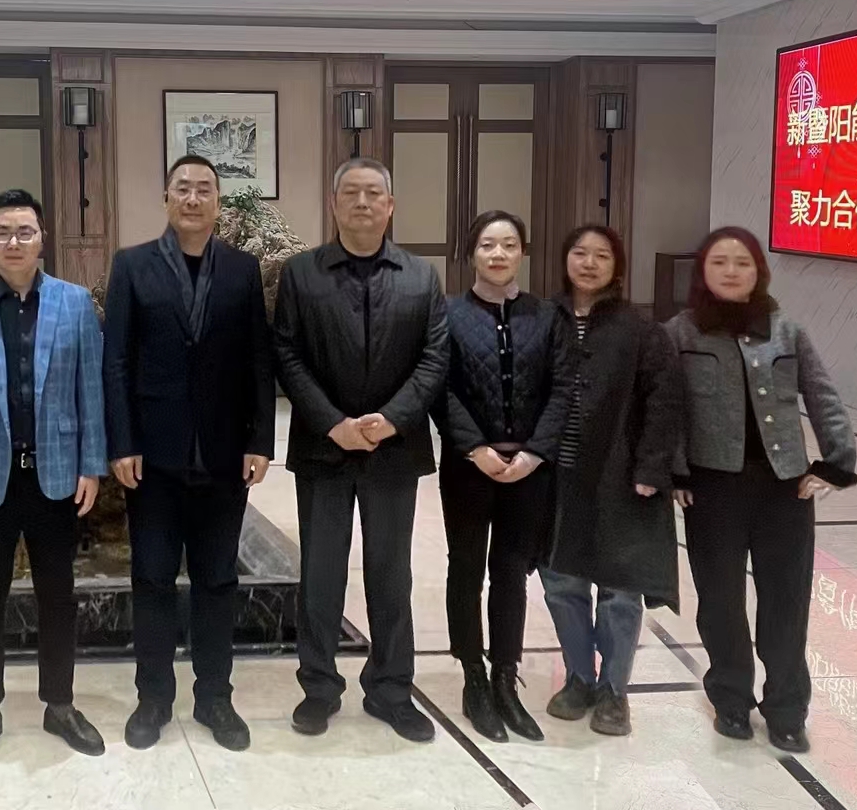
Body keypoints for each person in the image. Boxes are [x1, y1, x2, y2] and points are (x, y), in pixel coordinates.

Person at [273, 157, 449, 744]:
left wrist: (391, 419)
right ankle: (319, 688)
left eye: (374, 193)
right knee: (320, 575)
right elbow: (286, 354)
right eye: (351, 193)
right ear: (334, 204)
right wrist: (333, 423)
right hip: (324, 450)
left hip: (393, 452)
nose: (363, 202)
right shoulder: (301, 274)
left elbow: (434, 357)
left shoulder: (421, 276)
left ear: (391, 206)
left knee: (390, 575)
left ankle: (391, 689)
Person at [103, 155, 276, 753]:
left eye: (205, 189)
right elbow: (116, 361)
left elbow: (258, 359)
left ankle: (214, 697)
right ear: (166, 198)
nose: (194, 198)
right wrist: (121, 441)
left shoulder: (242, 270)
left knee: (218, 580)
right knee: (152, 577)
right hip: (152, 457)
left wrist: (261, 440)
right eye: (183, 188)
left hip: (224, 456)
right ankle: (153, 697)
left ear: (218, 202)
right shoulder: (132, 266)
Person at [0, 189, 109, 766]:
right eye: (3, 232)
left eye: (24, 231)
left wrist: (91, 464)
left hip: (55, 476)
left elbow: (90, 391)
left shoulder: (75, 304)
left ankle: (60, 705)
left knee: (59, 597)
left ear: (42, 239)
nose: (14, 241)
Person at [666, 225, 857, 754]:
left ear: (759, 271)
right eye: (720, 262)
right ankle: (731, 700)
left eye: (743, 263)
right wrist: (677, 472)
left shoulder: (786, 330)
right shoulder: (680, 333)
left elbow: (823, 396)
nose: (731, 271)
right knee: (720, 602)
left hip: (784, 490)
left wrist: (836, 463)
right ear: (702, 271)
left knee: (786, 603)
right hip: (712, 490)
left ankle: (787, 710)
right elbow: (668, 407)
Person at [525, 224, 683, 738]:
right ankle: (579, 677)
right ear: (564, 259)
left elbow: (664, 402)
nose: (589, 263)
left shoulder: (641, 330)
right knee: (561, 582)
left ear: (617, 266)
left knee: (619, 589)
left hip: (620, 479)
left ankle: (615, 690)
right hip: (556, 477)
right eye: (580, 253)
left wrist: (652, 469)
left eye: (601, 255)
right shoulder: (542, 319)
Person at [436, 211, 558, 744]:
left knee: (511, 572)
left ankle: (506, 677)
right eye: (488, 244)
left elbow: (561, 389)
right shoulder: (448, 314)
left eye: (509, 244)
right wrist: (474, 447)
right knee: (465, 567)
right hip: (469, 466)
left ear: (522, 253)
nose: (499, 254)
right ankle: (473, 677)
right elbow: (440, 388)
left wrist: (535, 453)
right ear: (472, 253)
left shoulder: (545, 316)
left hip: (529, 470)